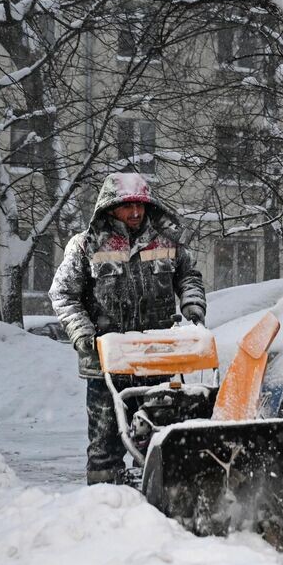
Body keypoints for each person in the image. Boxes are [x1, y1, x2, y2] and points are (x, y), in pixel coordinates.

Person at [49, 172, 206, 484]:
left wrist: (192, 303)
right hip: (107, 363)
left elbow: (188, 276)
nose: (135, 212)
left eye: (140, 205)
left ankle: (157, 497)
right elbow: (63, 294)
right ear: (109, 207)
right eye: (127, 206)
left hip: (157, 358)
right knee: (105, 445)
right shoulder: (86, 246)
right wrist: (82, 332)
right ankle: (104, 498)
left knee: (159, 438)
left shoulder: (166, 241)